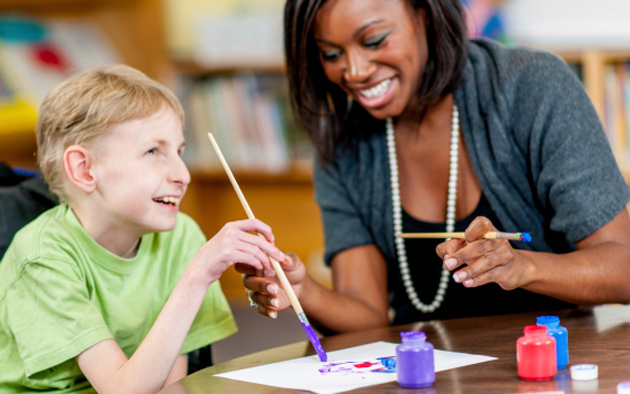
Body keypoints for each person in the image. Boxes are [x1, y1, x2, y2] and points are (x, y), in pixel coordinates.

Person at [239, 0, 630, 334]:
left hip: (548, 368)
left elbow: (623, 266)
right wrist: (301, 288)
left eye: (374, 40)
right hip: (421, 373)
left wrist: (522, 267)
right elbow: (367, 314)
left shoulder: (532, 87)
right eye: (331, 54)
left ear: (424, 13)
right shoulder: (342, 140)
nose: (354, 71)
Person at [0, 64, 287, 393]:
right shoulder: (40, 258)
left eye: (179, 151)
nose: (183, 174)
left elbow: (168, 386)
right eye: (153, 151)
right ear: (84, 169)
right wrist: (197, 275)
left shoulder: (181, 236)